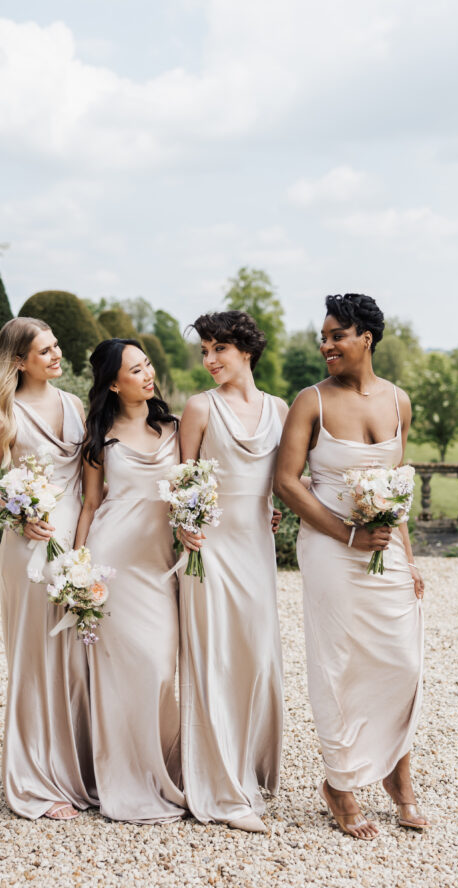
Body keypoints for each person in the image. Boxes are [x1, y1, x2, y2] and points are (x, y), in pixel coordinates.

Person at [274, 293, 428, 840]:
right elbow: (287, 482)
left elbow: (397, 490)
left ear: (366, 337)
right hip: (329, 549)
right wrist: (347, 534)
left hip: (385, 548)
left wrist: (407, 558)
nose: (326, 345)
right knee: (339, 662)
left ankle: (395, 772)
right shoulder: (309, 401)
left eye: (337, 335)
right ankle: (340, 782)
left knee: (402, 663)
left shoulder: (398, 402)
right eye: (324, 336)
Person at [0, 317, 96, 820]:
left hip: (74, 544)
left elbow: (91, 479)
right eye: (44, 351)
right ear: (19, 361)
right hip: (29, 550)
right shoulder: (6, 416)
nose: (56, 355)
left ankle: (77, 770)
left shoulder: (75, 405)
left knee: (75, 661)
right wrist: (19, 517)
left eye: (56, 346)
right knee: (36, 659)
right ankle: (35, 782)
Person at [177, 310, 287, 833]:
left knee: (256, 658)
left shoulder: (281, 409)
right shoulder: (199, 407)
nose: (209, 360)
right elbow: (181, 480)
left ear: (246, 350)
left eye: (218, 348)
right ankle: (221, 788)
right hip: (210, 550)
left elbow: (284, 479)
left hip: (257, 550)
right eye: (204, 351)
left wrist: (277, 506)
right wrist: (183, 527)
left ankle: (250, 769)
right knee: (214, 660)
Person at [74, 338, 185, 824]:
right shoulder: (99, 436)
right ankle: (124, 777)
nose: (147, 374)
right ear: (113, 383)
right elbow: (92, 504)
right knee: (124, 672)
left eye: (147, 365)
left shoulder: (175, 428)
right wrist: (78, 567)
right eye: (135, 370)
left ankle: (162, 770)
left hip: (157, 566)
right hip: (112, 561)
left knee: (161, 667)